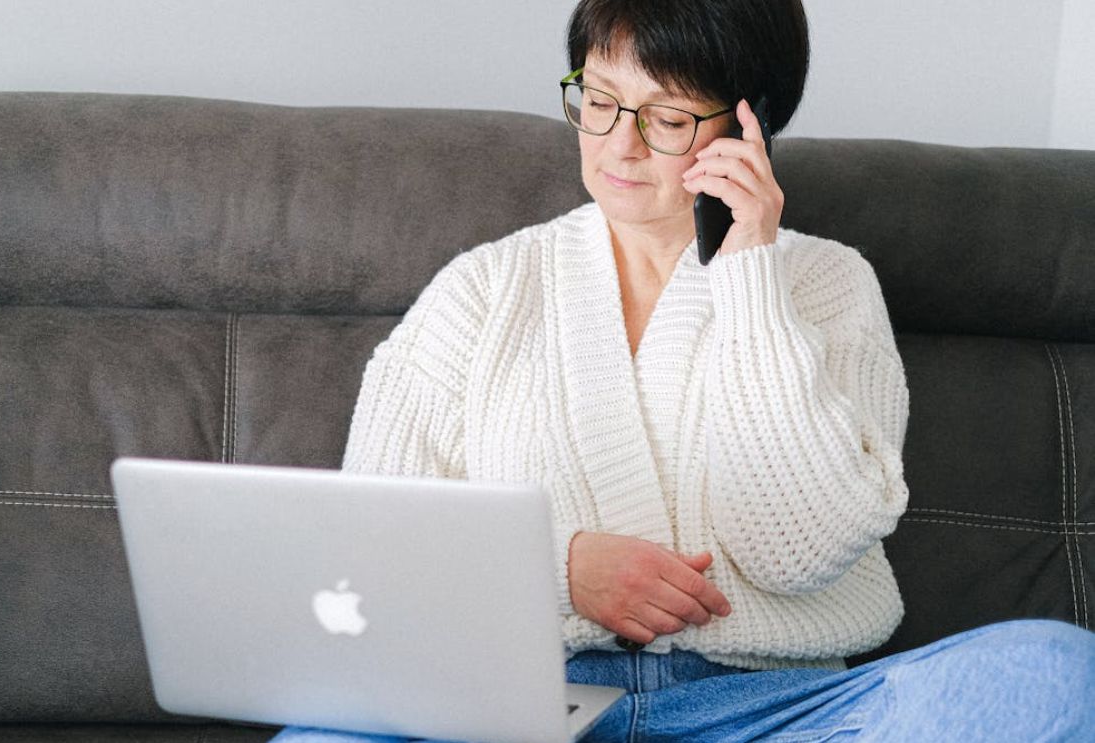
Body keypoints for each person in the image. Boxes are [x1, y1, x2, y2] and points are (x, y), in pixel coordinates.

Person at [274, 0, 1095, 740]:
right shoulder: (481, 289)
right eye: (597, 102)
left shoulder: (828, 282)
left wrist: (748, 279)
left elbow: (800, 551)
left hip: (770, 711)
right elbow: (369, 553)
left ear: (748, 129)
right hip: (520, 708)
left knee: (1051, 675)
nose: (617, 146)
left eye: (666, 117)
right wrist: (557, 569)